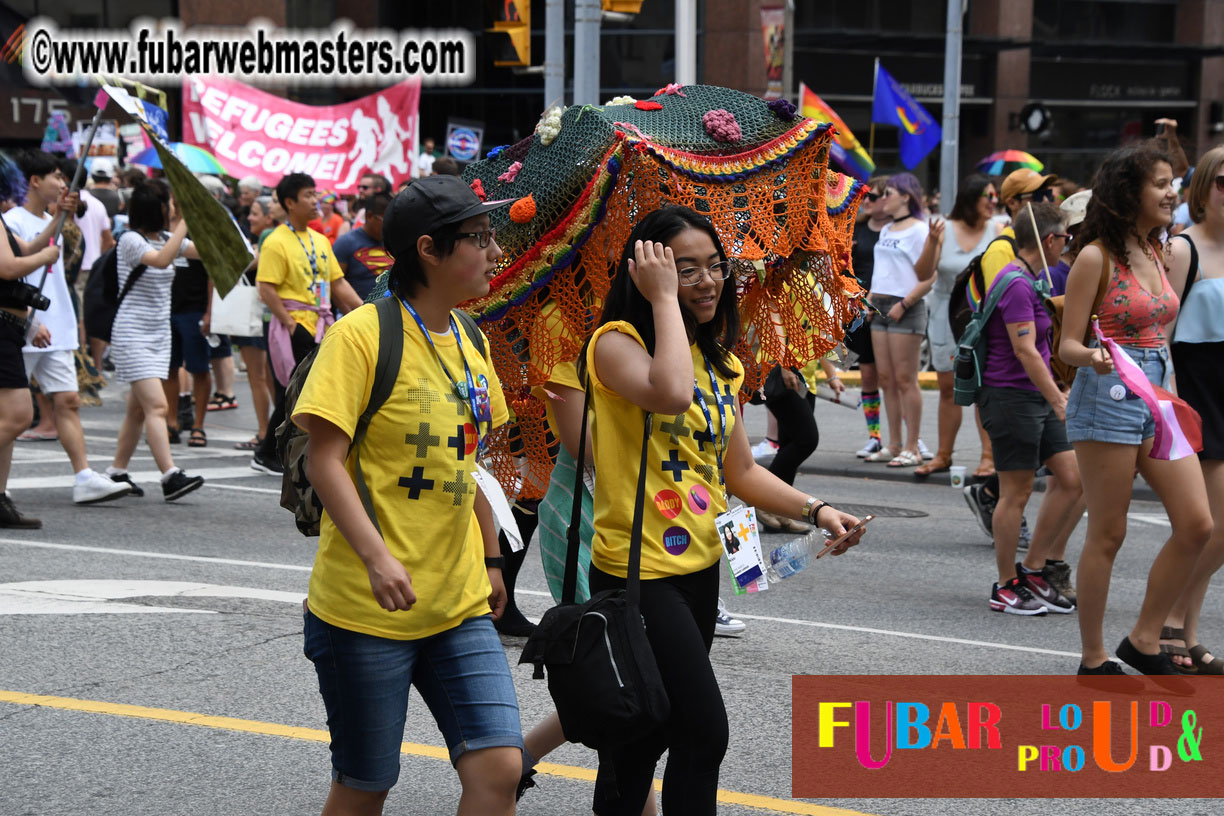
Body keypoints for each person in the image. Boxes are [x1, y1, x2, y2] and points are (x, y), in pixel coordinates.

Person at [580, 204, 864, 815]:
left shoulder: (722, 363)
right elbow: (670, 392)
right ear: (649, 274)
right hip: (637, 576)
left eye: (715, 265)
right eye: (686, 270)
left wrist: (818, 510)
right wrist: (660, 298)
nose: (708, 281)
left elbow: (739, 472)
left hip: (697, 569)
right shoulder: (614, 345)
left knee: (651, 733)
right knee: (702, 730)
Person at [293, 174, 521, 815]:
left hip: (458, 604)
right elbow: (324, 459)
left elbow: (470, 458)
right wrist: (376, 557)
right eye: (479, 238)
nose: (494, 252)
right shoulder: (362, 336)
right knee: (366, 787)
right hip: (365, 612)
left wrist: (492, 555)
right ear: (430, 250)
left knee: (499, 768)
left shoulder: (472, 339)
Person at [1059, 142, 1212, 677]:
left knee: (1197, 524)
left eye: (1173, 183)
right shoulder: (1095, 257)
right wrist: (1096, 358)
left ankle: (1145, 639)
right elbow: (1067, 347)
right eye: (1163, 184)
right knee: (1109, 532)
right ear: (1130, 192)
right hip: (1108, 397)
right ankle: (1094, 656)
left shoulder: (1159, 250)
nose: (1173, 193)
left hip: (1158, 394)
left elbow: (1163, 325)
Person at [6, 151, 130, 505]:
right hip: (26, 325)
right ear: (34, 181)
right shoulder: (11, 222)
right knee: (11, 414)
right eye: (56, 177)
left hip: (56, 325)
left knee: (69, 400)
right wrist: (31, 320)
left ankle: (84, 477)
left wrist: (60, 214)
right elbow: (14, 274)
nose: (62, 184)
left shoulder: (51, 222)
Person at [978, 202, 1083, 615]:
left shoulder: (1032, 278)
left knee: (1073, 478)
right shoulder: (1018, 283)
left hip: (1036, 395)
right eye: (1066, 238)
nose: (1067, 245)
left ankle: (1033, 569)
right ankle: (1005, 585)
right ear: (1051, 240)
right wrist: (1058, 398)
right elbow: (1025, 349)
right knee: (1016, 492)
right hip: (1010, 397)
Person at [251, 173, 363, 475]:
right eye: (309, 196)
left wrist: (365, 312)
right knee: (291, 391)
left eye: (316, 194)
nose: (316, 201)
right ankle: (266, 453)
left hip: (319, 324)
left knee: (308, 391)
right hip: (291, 326)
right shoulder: (276, 241)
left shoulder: (320, 240)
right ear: (290, 202)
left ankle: (280, 451)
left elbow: (337, 283)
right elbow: (267, 288)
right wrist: (290, 324)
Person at [104, 177, 207, 501]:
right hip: (131, 333)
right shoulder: (130, 241)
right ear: (157, 209)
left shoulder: (165, 237)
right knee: (159, 405)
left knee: (138, 411)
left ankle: (117, 472)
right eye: (170, 205)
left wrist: (211, 225)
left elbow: (201, 252)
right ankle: (169, 476)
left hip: (157, 333)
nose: (173, 210)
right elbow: (162, 259)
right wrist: (185, 223)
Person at [1161, 145, 1224, 673]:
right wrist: (1172, 398)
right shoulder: (1184, 249)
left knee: (1215, 527)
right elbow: (1163, 333)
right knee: (1207, 524)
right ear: (1203, 188)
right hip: (1197, 388)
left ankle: (1183, 627)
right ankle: (1171, 625)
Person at [915, 174, 999, 478]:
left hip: (983, 317)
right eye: (987, 197)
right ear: (970, 199)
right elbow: (923, 273)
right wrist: (933, 242)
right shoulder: (943, 229)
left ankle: (988, 457)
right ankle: (943, 455)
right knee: (948, 388)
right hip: (945, 315)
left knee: (982, 388)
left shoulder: (998, 229)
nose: (993, 203)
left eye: (995, 198)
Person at [0, 151, 63, 527]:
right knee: (20, 415)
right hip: (2, 324)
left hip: (9, 326)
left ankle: (0, 497)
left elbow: (25, 248)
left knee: (6, 419)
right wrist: (47, 257)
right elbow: (9, 267)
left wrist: (57, 219)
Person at [865, 173, 942, 468]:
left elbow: (929, 275)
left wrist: (905, 303)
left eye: (889, 193)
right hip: (881, 305)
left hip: (906, 306)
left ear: (906, 197)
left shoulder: (920, 230)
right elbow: (882, 270)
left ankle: (913, 445)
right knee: (886, 380)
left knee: (906, 379)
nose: (884, 198)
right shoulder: (887, 229)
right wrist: (870, 300)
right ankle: (894, 443)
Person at [846, 175, 889, 459]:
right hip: (861, 311)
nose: (868, 202)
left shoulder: (897, 231)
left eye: (873, 197)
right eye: (866, 197)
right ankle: (875, 436)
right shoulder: (855, 229)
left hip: (890, 311)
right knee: (869, 375)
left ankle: (908, 439)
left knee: (895, 379)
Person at [333, 192, 390, 302]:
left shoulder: (395, 241)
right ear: (369, 216)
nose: (390, 226)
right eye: (386, 221)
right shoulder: (346, 243)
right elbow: (335, 286)